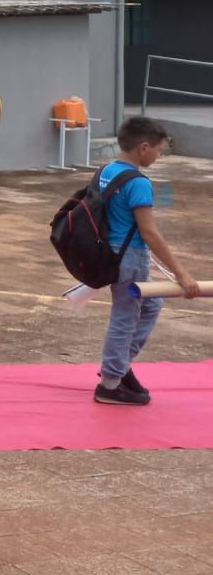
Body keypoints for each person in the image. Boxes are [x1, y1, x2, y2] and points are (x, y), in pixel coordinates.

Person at [93, 116, 200, 405]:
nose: (159, 155)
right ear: (143, 148)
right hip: (129, 257)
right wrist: (182, 274)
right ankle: (110, 384)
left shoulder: (107, 171)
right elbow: (150, 233)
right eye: (159, 150)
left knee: (151, 304)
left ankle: (119, 365)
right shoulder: (138, 182)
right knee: (125, 317)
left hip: (112, 253)